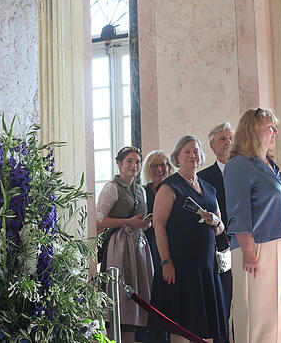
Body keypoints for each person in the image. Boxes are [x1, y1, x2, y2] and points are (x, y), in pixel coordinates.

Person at [224, 108, 281, 343]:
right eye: (270, 127)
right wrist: (248, 251)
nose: (275, 132)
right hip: (259, 248)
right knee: (261, 320)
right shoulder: (239, 164)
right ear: (253, 130)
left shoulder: (271, 166)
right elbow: (238, 209)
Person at [151, 136, 228, 343]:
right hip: (180, 266)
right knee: (182, 326)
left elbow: (221, 228)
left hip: (206, 267)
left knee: (206, 328)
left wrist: (215, 221)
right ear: (177, 157)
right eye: (187, 151)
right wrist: (166, 262)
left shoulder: (209, 188)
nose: (193, 155)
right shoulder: (169, 187)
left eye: (196, 151)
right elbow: (159, 226)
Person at [95, 146, 153, 343]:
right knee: (119, 294)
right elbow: (98, 221)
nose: (134, 165)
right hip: (118, 247)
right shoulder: (111, 188)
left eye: (137, 162)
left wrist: (144, 224)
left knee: (136, 298)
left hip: (138, 247)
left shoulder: (141, 191)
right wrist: (128, 222)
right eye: (129, 161)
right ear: (119, 163)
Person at [197, 122, 234, 343]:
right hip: (219, 250)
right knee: (223, 304)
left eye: (230, 138)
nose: (228, 142)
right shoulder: (203, 178)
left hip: (251, 246)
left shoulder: (249, 171)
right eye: (222, 139)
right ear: (212, 146)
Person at [137, 150, 173, 343]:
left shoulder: (174, 188)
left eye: (163, 165)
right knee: (150, 288)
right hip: (147, 243)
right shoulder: (142, 191)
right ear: (148, 170)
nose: (160, 169)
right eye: (155, 166)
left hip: (169, 243)